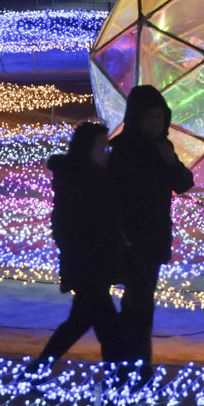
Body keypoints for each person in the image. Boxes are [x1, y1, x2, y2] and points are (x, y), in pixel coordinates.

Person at [106, 84, 194, 374]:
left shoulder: (162, 147)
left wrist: (170, 161)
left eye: (160, 117)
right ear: (135, 117)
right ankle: (135, 366)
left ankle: (129, 364)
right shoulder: (120, 149)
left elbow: (184, 183)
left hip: (154, 239)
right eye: (149, 118)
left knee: (140, 305)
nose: (156, 124)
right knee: (138, 306)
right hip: (129, 241)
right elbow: (112, 198)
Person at [35, 122, 124, 366]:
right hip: (87, 266)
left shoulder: (98, 177)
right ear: (87, 148)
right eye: (101, 146)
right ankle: (119, 374)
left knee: (82, 321)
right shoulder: (76, 181)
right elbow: (64, 227)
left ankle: (38, 369)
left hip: (95, 265)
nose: (106, 152)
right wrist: (84, 257)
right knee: (105, 326)